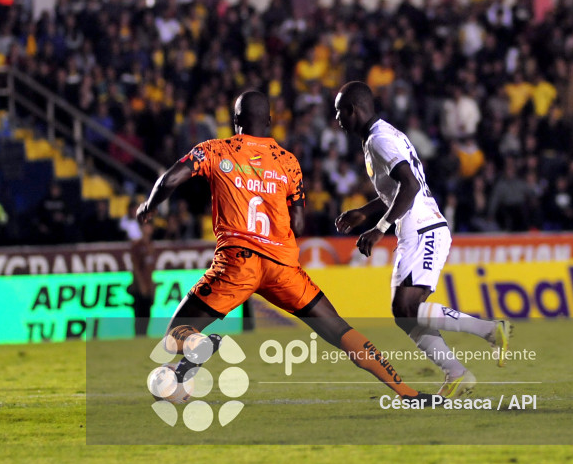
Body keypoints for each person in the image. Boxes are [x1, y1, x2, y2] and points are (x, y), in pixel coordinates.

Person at [137, 90, 431, 402]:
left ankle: (198, 346)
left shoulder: (214, 150)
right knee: (341, 332)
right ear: (269, 121)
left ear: (235, 121)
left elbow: (169, 180)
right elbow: (299, 223)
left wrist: (150, 205)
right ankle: (406, 391)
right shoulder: (288, 162)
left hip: (238, 262)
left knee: (174, 337)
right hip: (282, 267)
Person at [333, 81, 512, 399]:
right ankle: (458, 373)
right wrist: (366, 212)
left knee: (407, 307)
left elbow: (412, 185)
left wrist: (380, 228)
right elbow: (397, 189)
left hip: (425, 229)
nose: (337, 120)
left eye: (339, 112)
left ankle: (489, 332)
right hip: (413, 230)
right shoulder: (384, 135)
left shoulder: (380, 140)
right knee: (403, 313)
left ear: (353, 110)